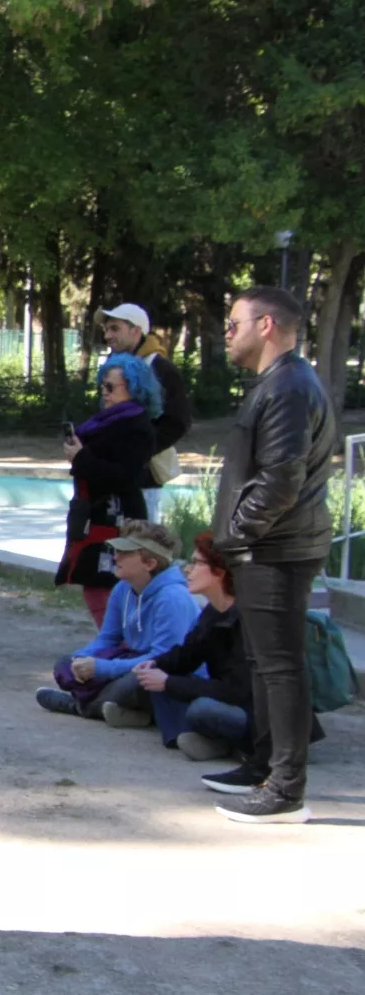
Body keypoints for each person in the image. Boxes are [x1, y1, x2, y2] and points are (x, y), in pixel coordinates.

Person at [203, 285, 338, 824]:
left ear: (267, 326)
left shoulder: (288, 387)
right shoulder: (281, 382)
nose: (226, 333)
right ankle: (263, 765)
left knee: (280, 666)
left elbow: (281, 479)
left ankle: (285, 791)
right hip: (268, 545)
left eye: (234, 323)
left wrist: (238, 534)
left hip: (276, 548)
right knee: (263, 662)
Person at [36, 522, 199, 743]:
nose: (115, 557)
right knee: (65, 663)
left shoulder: (172, 598)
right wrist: (82, 659)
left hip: (167, 672)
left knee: (137, 680)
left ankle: (80, 707)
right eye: (117, 550)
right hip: (135, 660)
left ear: (149, 563)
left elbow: (163, 659)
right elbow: (108, 638)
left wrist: (102, 668)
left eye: (125, 553)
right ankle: (127, 712)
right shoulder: (123, 587)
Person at [56, 353, 159, 627]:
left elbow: (125, 476)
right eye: (102, 385)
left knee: (105, 587)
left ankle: (118, 644)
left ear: (133, 388)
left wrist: (81, 458)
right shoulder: (107, 421)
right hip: (95, 514)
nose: (105, 392)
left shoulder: (137, 427)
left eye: (111, 387)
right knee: (98, 587)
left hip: (117, 519)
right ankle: (114, 642)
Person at [131, 532, 251, 761]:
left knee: (202, 709)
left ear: (220, 571)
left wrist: (169, 682)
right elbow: (188, 655)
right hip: (229, 702)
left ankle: (234, 745)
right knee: (153, 680)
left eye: (196, 563)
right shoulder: (214, 611)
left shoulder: (249, 619)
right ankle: (204, 741)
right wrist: (155, 664)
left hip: (260, 715)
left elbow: (236, 690)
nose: (187, 570)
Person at [97, 303, 192, 521]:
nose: (107, 335)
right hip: (114, 474)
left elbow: (178, 421)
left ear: (136, 331)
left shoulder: (160, 368)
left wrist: (140, 450)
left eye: (114, 328)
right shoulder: (114, 366)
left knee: (141, 537)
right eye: (106, 329)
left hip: (143, 479)